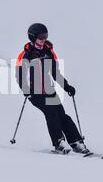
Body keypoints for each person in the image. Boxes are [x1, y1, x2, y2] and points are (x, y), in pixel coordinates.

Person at [15, 23, 89, 154]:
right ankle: (59, 143)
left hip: (49, 91)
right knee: (51, 113)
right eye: (41, 37)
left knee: (63, 116)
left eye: (45, 36)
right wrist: (25, 89)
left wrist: (67, 87)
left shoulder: (48, 52)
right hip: (35, 94)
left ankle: (77, 143)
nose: (43, 39)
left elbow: (56, 74)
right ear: (32, 37)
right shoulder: (26, 55)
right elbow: (20, 75)